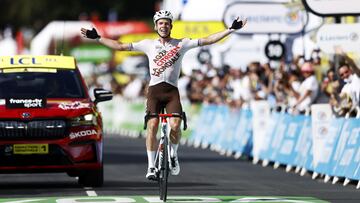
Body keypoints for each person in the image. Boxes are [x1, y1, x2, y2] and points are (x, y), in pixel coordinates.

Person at [81, 10, 247, 180]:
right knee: (153, 125)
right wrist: (98, 38)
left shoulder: (181, 43)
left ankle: (173, 155)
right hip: (154, 92)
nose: (164, 26)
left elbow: (208, 40)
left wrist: (230, 29)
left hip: (172, 92)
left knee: (175, 125)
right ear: (156, 26)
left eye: (167, 23)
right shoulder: (148, 44)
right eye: (160, 23)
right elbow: (121, 46)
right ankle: (151, 166)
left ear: (171, 26)